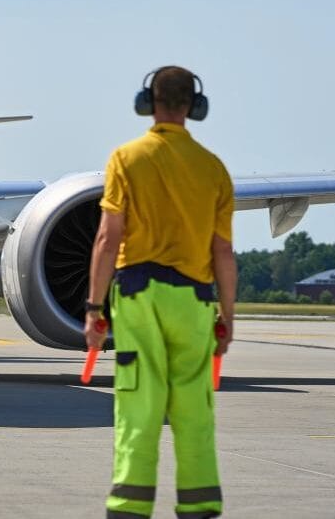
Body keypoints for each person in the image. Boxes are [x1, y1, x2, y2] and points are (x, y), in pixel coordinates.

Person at [85, 65, 237, 519]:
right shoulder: (213, 169)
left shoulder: (126, 159)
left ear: (147, 103)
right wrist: (227, 318)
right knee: (195, 412)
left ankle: (129, 508)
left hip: (139, 297)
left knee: (139, 408)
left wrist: (94, 309)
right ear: (195, 106)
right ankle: (200, 506)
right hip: (194, 302)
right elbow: (223, 251)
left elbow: (108, 239)